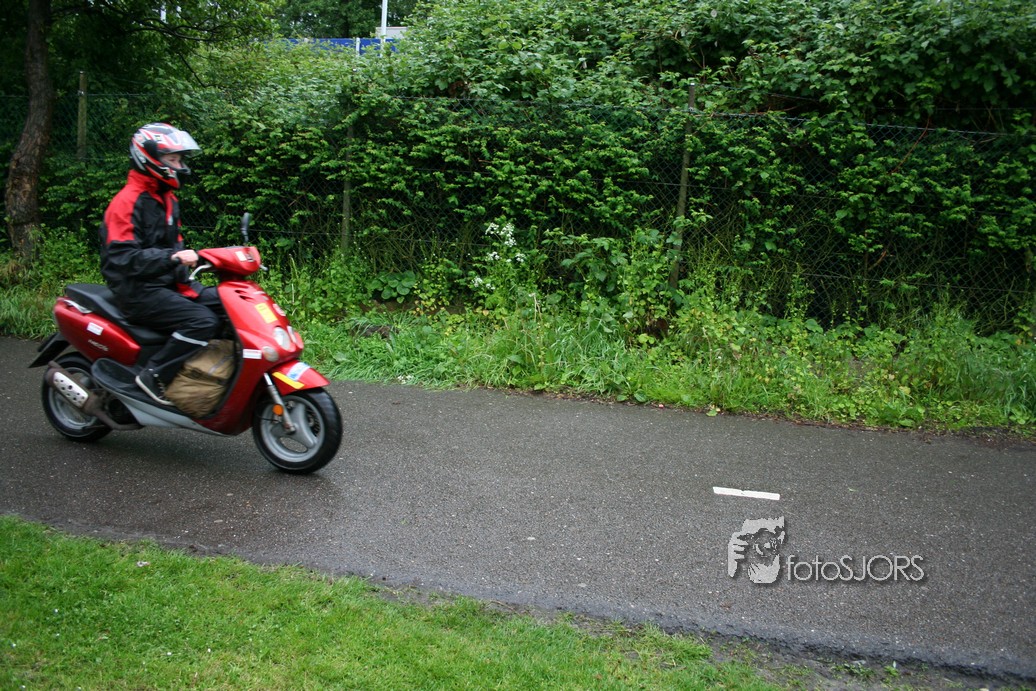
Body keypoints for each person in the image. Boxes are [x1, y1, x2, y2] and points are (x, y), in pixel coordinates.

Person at [98, 122, 222, 406]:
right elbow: (122, 258)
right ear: (150, 159)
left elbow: (174, 247)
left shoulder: (166, 198)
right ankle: (153, 376)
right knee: (201, 321)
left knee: (230, 302)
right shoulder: (127, 202)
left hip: (169, 284)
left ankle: (212, 378)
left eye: (180, 160)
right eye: (173, 160)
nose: (179, 166)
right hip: (137, 290)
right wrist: (172, 258)